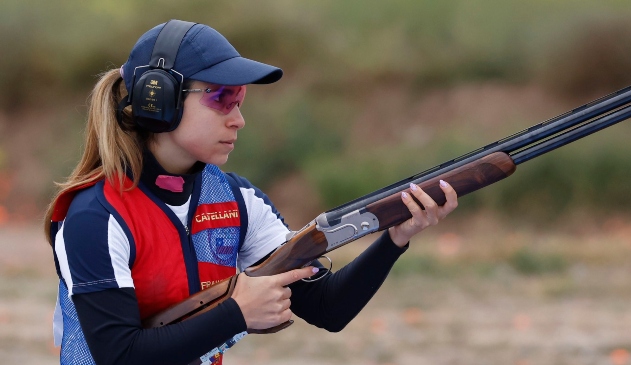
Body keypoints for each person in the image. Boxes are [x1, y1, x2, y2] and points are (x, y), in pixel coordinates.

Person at [44, 20, 458, 365]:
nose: (239, 119)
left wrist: (395, 238)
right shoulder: (95, 217)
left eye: (240, 99)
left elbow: (327, 309)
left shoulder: (237, 200)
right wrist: (237, 313)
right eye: (222, 98)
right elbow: (118, 356)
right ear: (160, 99)